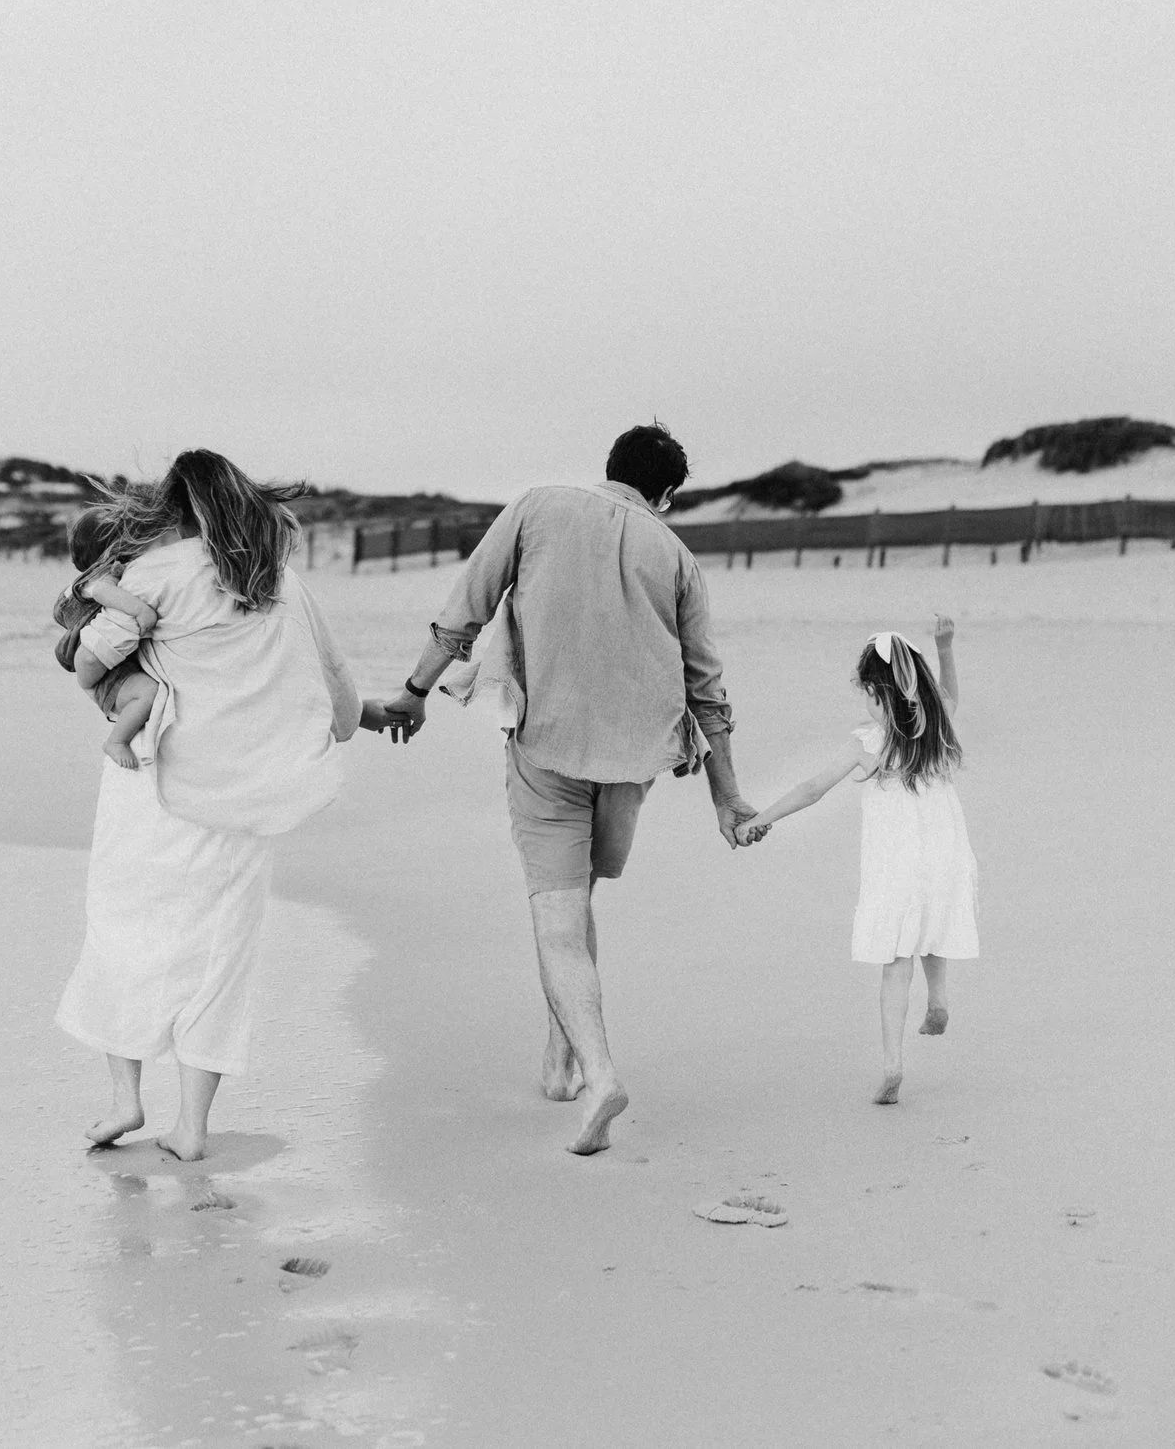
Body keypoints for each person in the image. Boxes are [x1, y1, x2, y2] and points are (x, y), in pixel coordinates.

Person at [379, 423, 751, 1156]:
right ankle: (558, 1061)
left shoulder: (537, 506)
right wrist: (725, 796)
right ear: (666, 494)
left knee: (558, 915)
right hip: (632, 758)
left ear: (608, 468)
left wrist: (416, 689)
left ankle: (598, 1069)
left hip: (546, 745)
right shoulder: (676, 555)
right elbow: (707, 690)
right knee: (580, 900)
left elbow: (465, 611)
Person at [55, 450, 390, 1161]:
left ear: (174, 508)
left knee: (122, 932)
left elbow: (89, 661)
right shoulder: (284, 585)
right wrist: (359, 720)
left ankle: (124, 1098)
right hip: (244, 800)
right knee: (221, 959)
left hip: (154, 786)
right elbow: (333, 684)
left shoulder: (157, 575)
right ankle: (192, 1128)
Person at [736, 616, 977, 1104]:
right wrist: (945, 646)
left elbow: (813, 789)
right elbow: (951, 695)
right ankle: (939, 1001)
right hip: (944, 854)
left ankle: (892, 1064)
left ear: (875, 691)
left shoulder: (868, 743)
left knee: (895, 957)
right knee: (934, 924)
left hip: (896, 864)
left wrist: (763, 817)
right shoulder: (935, 730)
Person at [50, 498, 168, 770]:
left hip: (96, 663)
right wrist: (140, 610)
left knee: (146, 691)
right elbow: (104, 592)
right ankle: (116, 741)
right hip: (98, 665)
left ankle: (117, 737)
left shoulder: (86, 581)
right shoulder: (100, 577)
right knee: (148, 693)